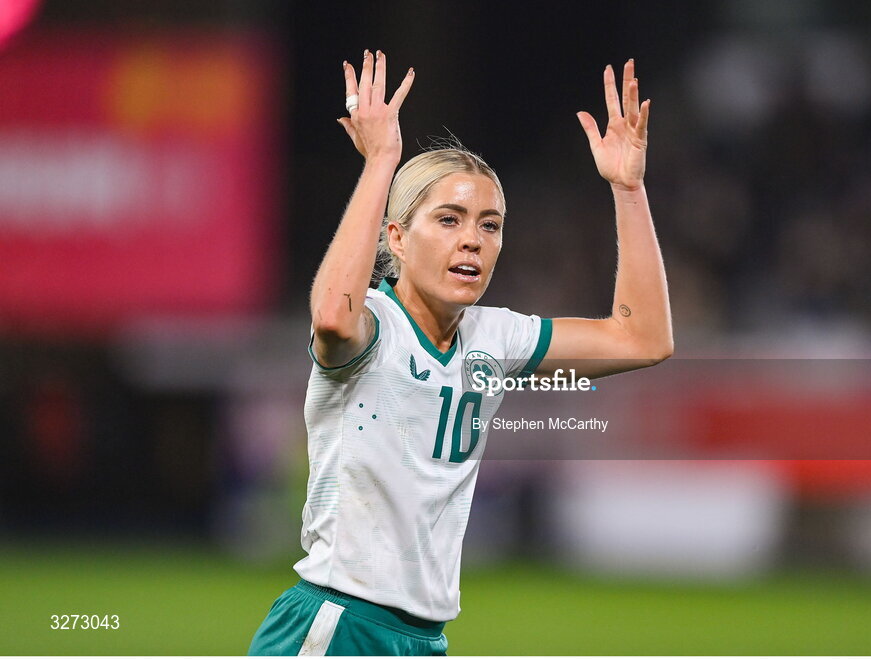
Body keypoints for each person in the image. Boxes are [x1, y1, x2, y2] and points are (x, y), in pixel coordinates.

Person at [249, 48, 672, 656]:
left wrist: (628, 189)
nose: (472, 238)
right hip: (339, 625)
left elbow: (644, 338)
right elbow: (331, 317)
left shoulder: (493, 338)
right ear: (395, 235)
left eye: (490, 224)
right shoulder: (375, 329)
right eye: (448, 219)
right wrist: (381, 163)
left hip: (425, 638)